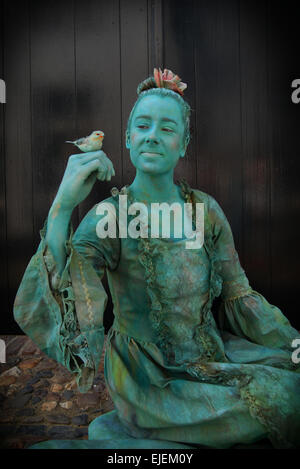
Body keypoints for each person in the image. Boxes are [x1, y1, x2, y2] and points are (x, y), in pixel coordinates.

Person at [14, 69, 300, 449]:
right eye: (143, 125)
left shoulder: (206, 210)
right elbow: (63, 290)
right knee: (264, 409)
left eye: (167, 128)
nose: (152, 135)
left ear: (183, 144)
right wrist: (63, 205)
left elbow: (239, 296)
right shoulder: (110, 216)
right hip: (143, 377)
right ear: (129, 139)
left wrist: (291, 343)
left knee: (290, 390)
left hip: (208, 356)